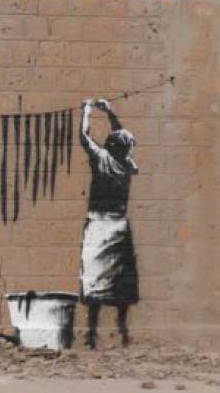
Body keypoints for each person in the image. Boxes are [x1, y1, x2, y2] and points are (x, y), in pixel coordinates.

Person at [79, 98, 139, 349]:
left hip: (98, 225)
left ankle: (91, 334)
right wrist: (109, 111)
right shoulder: (126, 164)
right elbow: (119, 136)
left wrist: (87, 111)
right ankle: (122, 330)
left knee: (94, 280)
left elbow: (84, 136)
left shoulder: (102, 158)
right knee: (122, 282)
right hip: (119, 225)